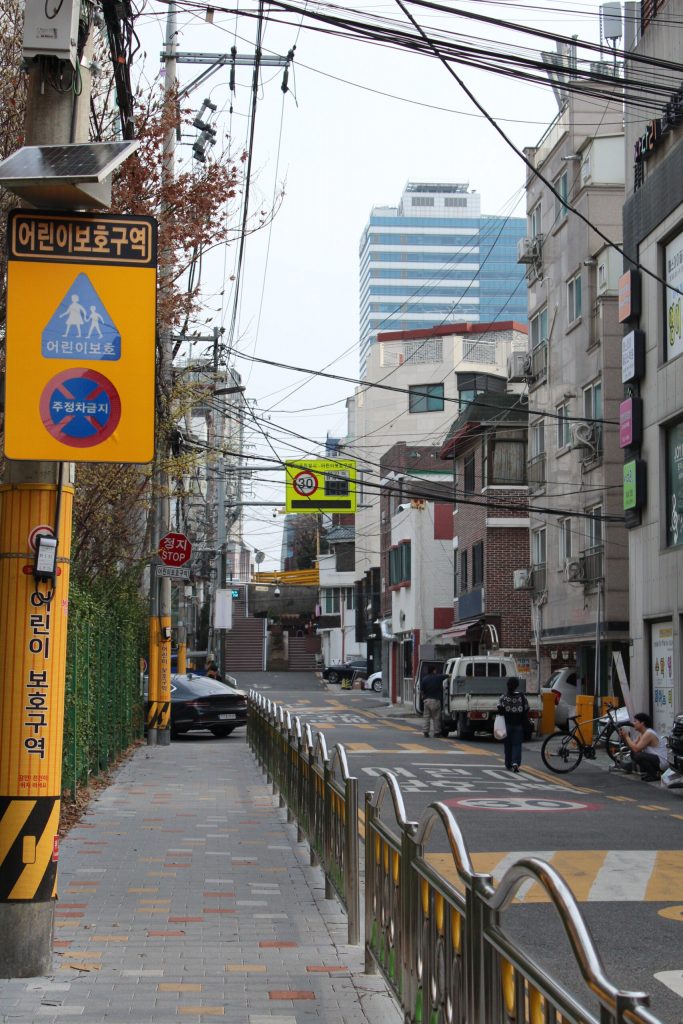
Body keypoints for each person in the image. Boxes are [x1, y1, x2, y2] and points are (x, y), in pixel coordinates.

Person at [619, 712, 668, 781]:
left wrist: (627, 736)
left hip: (662, 762)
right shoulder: (642, 734)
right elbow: (632, 747)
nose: (633, 723)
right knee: (633, 754)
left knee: (638, 755)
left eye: (635, 721)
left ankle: (654, 774)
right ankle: (651, 773)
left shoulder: (649, 733)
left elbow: (636, 749)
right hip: (656, 759)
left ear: (642, 723)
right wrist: (624, 737)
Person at [497, 677, 529, 772]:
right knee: (517, 745)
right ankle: (515, 763)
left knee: (507, 745)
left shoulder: (503, 697)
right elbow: (526, 709)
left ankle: (508, 763)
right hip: (518, 725)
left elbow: (499, 710)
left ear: (507, 685)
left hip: (506, 725)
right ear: (517, 686)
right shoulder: (522, 697)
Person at [421, 665, 447, 738]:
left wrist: (423, 699)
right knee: (436, 717)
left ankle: (426, 731)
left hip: (427, 701)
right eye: (435, 670)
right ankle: (437, 732)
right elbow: (446, 676)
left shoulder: (424, 679)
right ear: (434, 670)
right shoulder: (438, 677)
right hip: (436, 700)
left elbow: (422, 691)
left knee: (426, 717)